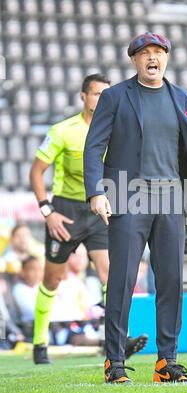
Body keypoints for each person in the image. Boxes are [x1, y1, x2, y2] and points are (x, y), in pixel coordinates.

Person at [84, 32, 187, 384]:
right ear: (133, 60)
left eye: (158, 52)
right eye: (144, 52)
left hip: (171, 197)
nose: (152, 57)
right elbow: (94, 145)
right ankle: (114, 362)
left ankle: (166, 362)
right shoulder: (115, 97)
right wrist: (95, 192)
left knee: (172, 281)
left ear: (167, 59)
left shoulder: (182, 98)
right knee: (123, 280)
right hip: (127, 194)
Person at [30, 74, 112, 364]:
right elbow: (36, 172)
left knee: (109, 274)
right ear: (83, 97)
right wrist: (47, 211)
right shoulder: (63, 130)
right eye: (96, 94)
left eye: (106, 94)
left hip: (97, 208)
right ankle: (39, 342)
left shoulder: (115, 131)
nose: (100, 100)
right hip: (65, 212)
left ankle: (113, 341)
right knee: (53, 278)